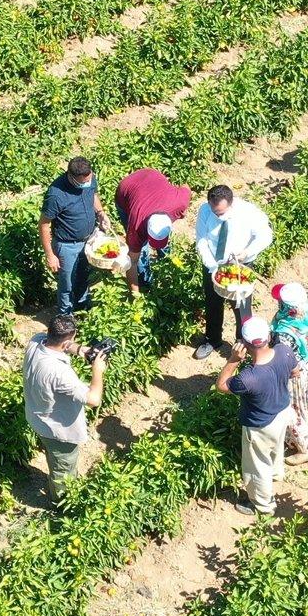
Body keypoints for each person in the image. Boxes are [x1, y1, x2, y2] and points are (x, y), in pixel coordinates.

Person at [216, 317, 298, 517]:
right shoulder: (284, 351)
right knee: (276, 448)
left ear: (244, 344)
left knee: (257, 465)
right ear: (269, 337)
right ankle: (276, 473)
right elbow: (295, 372)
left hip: (260, 426)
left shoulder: (249, 377)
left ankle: (263, 505)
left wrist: (233, 360)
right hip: (282, 412)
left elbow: (221, 385)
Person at [22, 314, 107, 502]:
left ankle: (65, 488)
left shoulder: (36, 341)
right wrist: (97, 371)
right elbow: (93, 399)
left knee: (57, 461)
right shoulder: (59, 373)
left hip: (37, 415)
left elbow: (62, 345)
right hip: (57, 431)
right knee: (63, 471)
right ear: (71, 336)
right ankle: (63, 503)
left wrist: (81, 350)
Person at [193, 185, 273, 360]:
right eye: (215, 211)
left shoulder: (248, 212)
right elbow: (202, 240)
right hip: (214, 264)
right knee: (212, 302)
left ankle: (243, 342)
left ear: (231, 203)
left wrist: (247, 252)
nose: (217, 215)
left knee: (241, 306)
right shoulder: (206, 211)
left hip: (240, 264)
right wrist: (213, 267)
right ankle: (212, 339)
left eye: (221, 212)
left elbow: (266, 236)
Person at [39, 157, 111, 314]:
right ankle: (65, 316)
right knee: (67, 284)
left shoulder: (88, 177)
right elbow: (44, 225)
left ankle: (81, 306)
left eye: (89, 179)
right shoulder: (56, 194)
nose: (86, 184)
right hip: (67, 245)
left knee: (84, 276)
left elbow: (93, 195)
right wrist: (50, 255)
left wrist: (101, 213)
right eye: (81, 182)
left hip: (89, 240)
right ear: (70, 176)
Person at [113, 168, 193, 293]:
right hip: (126, 190)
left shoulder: (180, 202)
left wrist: (185, 210)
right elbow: (131, 261)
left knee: (164, 246)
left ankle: (167, 262)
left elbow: (186, 187)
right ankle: (146, 282)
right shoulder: (137, 224)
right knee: (141, 249)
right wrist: (135, 294)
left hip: (151, 175)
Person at [269, 283, 308, 465]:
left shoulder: (284, 332)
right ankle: (293, 438)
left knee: (291, 410)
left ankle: (306, 449)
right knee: (302, 404)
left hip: (295, 372)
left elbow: (282, 356)